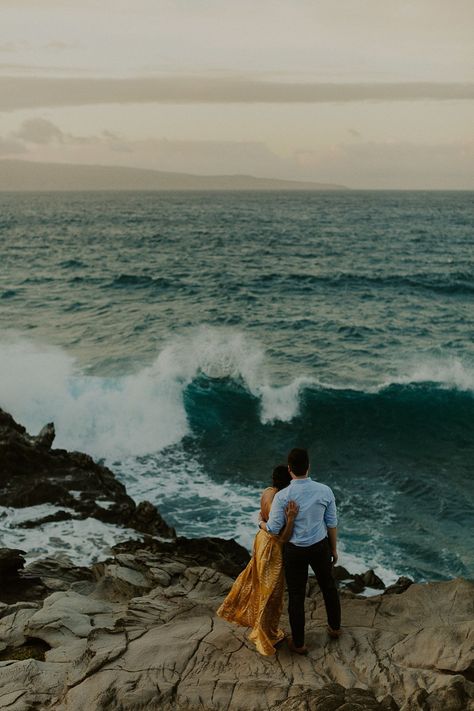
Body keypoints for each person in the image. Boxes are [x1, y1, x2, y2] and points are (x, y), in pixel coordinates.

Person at [262, 448, 341, 655]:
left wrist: (260, 523)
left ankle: (299, 644)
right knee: (328, 587)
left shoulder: (282, 497)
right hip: (319, 546)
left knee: (296, 596)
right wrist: (333, 548)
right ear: (308, 466)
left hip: (295, 551)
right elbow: (331, 523)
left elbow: (272, 528)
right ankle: (335, 628)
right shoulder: (324, 491)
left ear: (289, 470)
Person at [217, 466, 299, 656]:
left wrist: (261, 523)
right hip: (272, 549)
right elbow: (281, 536)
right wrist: (292, 519)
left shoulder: (268, 492)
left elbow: (264, 519)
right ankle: (263, 635)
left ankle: (264, 628)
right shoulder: (279, 503)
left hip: (261, 541)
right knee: (271, 592)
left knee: (259, 585)